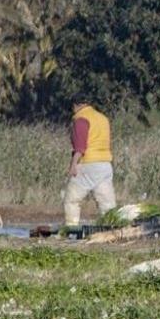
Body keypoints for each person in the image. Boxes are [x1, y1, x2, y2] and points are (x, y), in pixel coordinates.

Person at [63, 95, 116, 227]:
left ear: (76, 105)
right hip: (105, 164)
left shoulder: (81, 119)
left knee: (72, 200)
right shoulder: (103, 118)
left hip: (88, 164)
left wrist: (73, 165)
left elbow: (80, 147)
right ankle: (110, 228)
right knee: (107, 203)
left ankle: (71, 227)